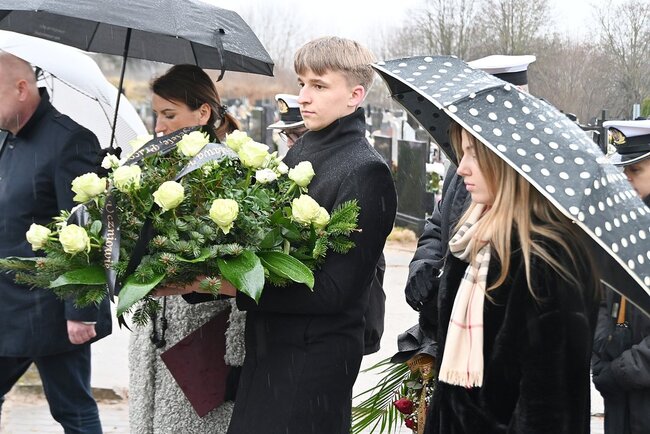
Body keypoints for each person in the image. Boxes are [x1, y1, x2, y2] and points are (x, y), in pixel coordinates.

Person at [226, 36, 397, 433]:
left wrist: (235, 287)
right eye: (302, 83)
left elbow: (336, 291)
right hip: (271, 348)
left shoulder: (366, 171)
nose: (303, 96)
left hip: (312, 358)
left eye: (319, 85)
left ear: (355, 96)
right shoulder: (302, 150)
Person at [424, 121, 598, 434]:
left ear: (509, 159)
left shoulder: (549, 260)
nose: (461, 168)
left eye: (474, 154)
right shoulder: (472, 235)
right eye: (462, 153)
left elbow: (549, 408)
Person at [127, 64, 245, 434]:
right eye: (156, 115)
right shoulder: (156, 166)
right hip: (154, 332)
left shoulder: (227, 171)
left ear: (203, 113)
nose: (159, 126)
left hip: (198, 339)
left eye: (169, 114)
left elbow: (239, 264)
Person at [0, 51, 111, 433]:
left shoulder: (70, 142)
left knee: (73, 410)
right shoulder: (7, 138)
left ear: (21, 88)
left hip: (51, 309)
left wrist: (82, 310)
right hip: (7, 304)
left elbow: (87, 231)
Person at [403, 54, 536, 361]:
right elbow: (439, 226)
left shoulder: (534, 194)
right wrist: (423, 267)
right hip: (451, 348)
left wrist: (448, 293)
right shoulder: (460, 169)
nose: (463, 166)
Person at [267, 92, 388, 355]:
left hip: (317, 341)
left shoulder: (362, 168)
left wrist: (238, 288)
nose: (293, 144)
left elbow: (338, 286)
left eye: (297, 135)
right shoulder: (295, 159)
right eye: (287, 136)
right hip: (278, 336)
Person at [592, 119, 650, 434]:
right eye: (624, 169)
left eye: (636, 169)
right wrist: (601, 352)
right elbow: (605, 297)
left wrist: (620, 371)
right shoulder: (625, 223)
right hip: (620, 402)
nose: (626, 177)